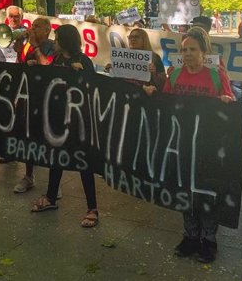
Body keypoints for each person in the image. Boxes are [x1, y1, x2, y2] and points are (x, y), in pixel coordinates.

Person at [158, 28, 233, 263]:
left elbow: (230, 102)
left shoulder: (216, 75)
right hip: (181, 144)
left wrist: (225, 101)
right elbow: (165, 103)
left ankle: (208, 240)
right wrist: (151, 93)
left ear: (204, 52)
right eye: (184, 50)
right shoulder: (176, 74)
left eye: (192, 49)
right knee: (185, 191)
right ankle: (190, 237)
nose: (187, 54)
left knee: (207, 193)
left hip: (208, 145)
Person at [31, 25, 99, 228]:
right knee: (57, 158)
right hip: (60, 117)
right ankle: (51, 197)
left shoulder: (83, 61)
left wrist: (81, 73)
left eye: (58, 39)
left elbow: (92, 87)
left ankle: (92, 208)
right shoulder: (59, 60)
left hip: (79, 121)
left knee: (83, 162)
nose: (55, 42)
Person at [13, 17, 56, 194]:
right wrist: (18, 41)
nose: (33, 29)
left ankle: (54, 183)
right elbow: (20, 60)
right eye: (33, 26)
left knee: (50, 139)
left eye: (37, 27)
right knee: (28, 136)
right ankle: (28, 176)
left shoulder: (53, 46)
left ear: (47, 30)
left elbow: (47, 64)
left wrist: (35, 48)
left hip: (48, 98)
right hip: (29, 96)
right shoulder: (28, 44)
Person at [105, 28, 166, 93]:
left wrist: (154, 73)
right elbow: (119, 79)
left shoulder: (154, 57)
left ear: (144, 40)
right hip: (125, 92)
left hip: (145, 95)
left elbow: (163, 83)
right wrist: (112, 69)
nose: (132, 39)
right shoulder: (123, 56)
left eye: (136, 37)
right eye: (130, 37)